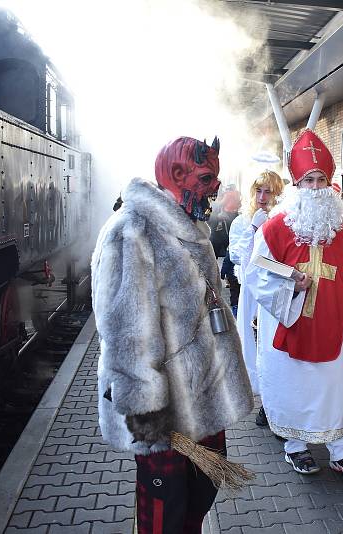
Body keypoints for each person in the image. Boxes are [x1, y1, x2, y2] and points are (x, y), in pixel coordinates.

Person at [91, 136, 253, 534]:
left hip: (203, 404)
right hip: (161, 416)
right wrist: (146, 419)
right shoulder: (131, 233)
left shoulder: (189, 224)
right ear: (178, 175)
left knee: (198, 499)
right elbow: (126, 335)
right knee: (164, 516)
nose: (216, 187)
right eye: (206, 177)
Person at [245, 129, 343, 480]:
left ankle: (342, 452)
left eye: (321, 179)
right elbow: (257, 274)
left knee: (338, 390)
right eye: (308, 180)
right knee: (295, 388)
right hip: (292, 326)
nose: (316, 187)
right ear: (297, 185)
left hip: (336, 330)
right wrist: (291, 282)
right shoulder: (273, 230)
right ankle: (295, 448)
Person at [228, 169, 285, 426]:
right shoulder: (242, 221)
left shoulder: (284, 219)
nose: (262, 197)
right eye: (258, 191)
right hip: (252, 291)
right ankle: (262, 399)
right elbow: (237, 257)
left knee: (274, 344)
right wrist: (253, 228)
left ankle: (273, 403)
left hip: (277, 290)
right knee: (252, 343)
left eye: (268, 191)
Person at [209, 190, 242, 310]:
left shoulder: (239, 218)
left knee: (235, 286)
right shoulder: (218, 215)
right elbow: (210, 220)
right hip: (221, 247)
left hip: (231, 251)